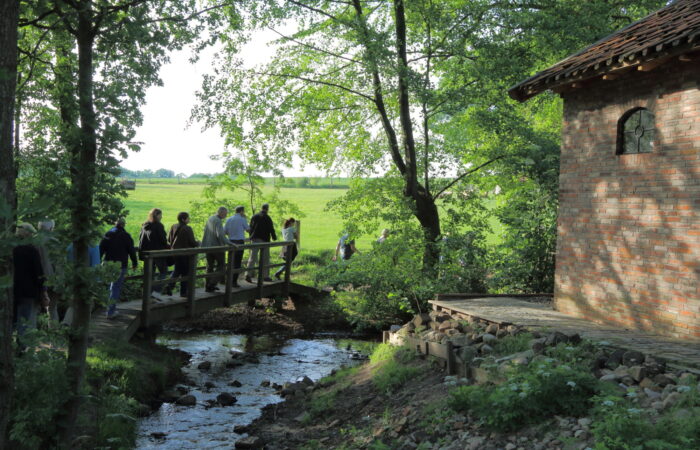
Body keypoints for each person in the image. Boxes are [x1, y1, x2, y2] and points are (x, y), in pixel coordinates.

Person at [13, 223, 50, 341]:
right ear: (28, 234)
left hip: (11, 289)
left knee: (11, 319)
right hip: (28, 291)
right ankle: (21, 348)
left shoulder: (10, 249)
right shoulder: (31, 250)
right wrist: (44, 292)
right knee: (24, 320)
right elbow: (39, 273)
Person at [100, 218, 138, 318]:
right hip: (120, 265)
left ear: (115, 224)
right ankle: (111, 312)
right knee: (115, 287)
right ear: (124, 225)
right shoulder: (126, 236)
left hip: (107, 264)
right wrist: (135, 263)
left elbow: (101, 249)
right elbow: (132, 251)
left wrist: (98, 262)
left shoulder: (108, 234)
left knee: (110, 287)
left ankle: (107, 308)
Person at [64, 240, 101, 326]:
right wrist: (96, 283)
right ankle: (82, 330)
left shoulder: (71, 245)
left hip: (72, 279)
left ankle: (67, 324)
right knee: (88, 305)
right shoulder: (93, 246)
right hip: (87, 280)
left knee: (73, 303)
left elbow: (67, 264)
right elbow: (96, 266)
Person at [167, 212, 199, 297]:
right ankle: (183, 292)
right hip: (185, 254)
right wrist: (198, 243)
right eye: (188, 218)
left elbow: (169, 240)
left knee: (177, 270)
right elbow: (192, 242)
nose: (189, 219)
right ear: (183, 219)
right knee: (185, 273)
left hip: (174, 253)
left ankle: (169, 286)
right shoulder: (187, 228)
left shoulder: (173, 226)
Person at [139, 208, 170, 294]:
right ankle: (155, 292)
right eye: (160, 215)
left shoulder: (144, 226)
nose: (162, 217)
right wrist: (169, 246)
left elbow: (141, 239)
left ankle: (148, 293)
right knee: (163, 272)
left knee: (150, 274)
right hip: (158, 252)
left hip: (147, 254)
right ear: (156, 215)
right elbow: (163, 240)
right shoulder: (158, 226)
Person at [246, 203, 277, 282]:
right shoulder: (267, 217)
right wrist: (274, 237)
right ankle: (265, 276)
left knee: (252, 258)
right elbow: (271, 228)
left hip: (255, 239)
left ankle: (248, 274)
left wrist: (251, 236)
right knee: (265, 259)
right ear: (267, 209)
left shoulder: (255, 216)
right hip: (265, 240)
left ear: (261, 208)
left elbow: (251, 227)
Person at [202, 206, 230, 292]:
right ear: (220, 213)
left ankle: (207, 286)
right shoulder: (218, 221)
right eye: (225, 214)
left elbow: (206, 231)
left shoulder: (210, 218)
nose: (225, 216)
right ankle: (212, 283)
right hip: (217, 247)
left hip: (208, 246)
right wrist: (229, 243)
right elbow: (220, 235)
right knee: (221, 266)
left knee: (210, 266)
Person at [36, 219, 59, 321]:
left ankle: (35, 333)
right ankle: (54, 333)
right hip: (52, 280)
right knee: (52, 309)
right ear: (51, 228)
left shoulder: (33, 240)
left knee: (35, 308)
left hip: (36, 280)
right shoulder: (55, 242)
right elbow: (59, 264)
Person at [225, 206, 250, 287]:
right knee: (237, 262)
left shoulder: (229, 219)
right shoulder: (242, 219)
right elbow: (248, 229)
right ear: (242, 211)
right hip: (239, 242)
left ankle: (228, 281)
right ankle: (234, 282)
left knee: (230, 262)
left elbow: (225, 231)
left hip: (230, 242)